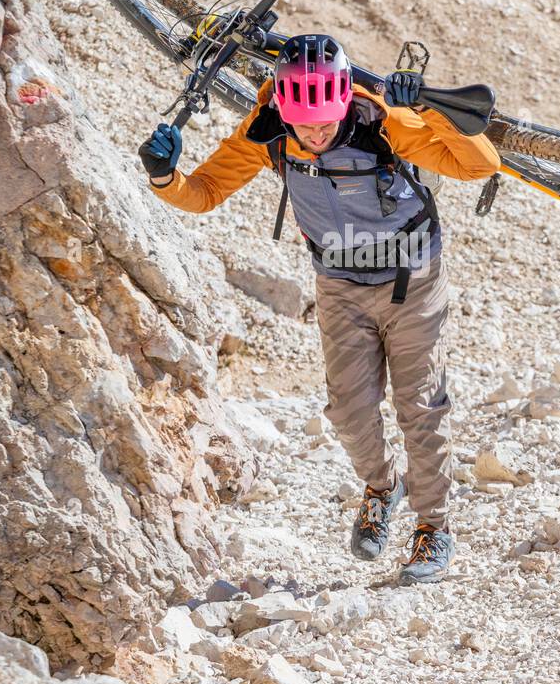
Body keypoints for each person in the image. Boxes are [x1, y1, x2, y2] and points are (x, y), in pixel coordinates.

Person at [139, 33, 501, 584]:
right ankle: (382, 488)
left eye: (325, 124)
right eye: (303, 125)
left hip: (414, 280)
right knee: (349, 414)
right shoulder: (268, 134)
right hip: (339, 285)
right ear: (282, 107)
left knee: (420, 406)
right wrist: (164, 176)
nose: (314, 134)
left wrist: (427, 112)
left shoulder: (384, 121)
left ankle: (434, 526)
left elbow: (478, 166)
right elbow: (204, 192)